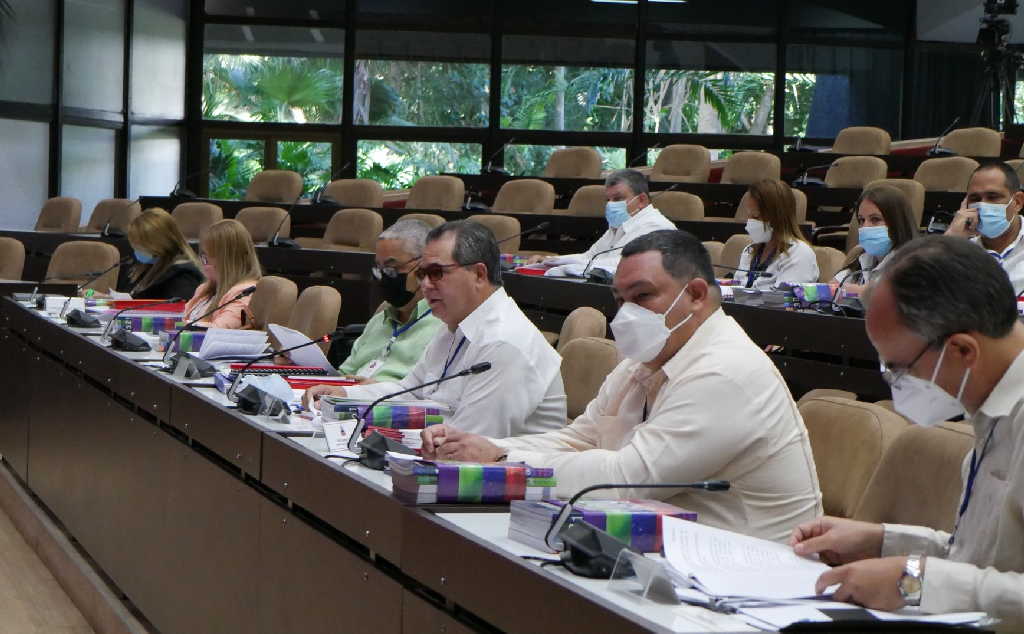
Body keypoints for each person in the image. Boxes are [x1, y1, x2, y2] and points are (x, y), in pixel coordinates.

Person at [421, 230, 822, 543]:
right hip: (662, 551)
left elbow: (626, 477)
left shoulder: (728, 371)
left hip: (746, 572)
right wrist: (494, 450)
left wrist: (500, 462)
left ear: (696, 295)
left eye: (642, 296)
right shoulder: (644, 360)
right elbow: (581, 438)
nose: (626, 313)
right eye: (620, 298)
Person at [790, 236, 1024, 624]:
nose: (896, 384)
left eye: (900, 368)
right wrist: (879, 541)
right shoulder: (991, 406)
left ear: (964, 350)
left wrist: (911, 583)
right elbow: (980, 557)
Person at [303, 220, 566, 437]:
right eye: (421, 275)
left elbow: (467, 441)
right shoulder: (455, 326)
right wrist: (344, 395)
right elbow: (408, 391)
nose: (426, 285)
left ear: (479, 274)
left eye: (437, 273)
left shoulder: (505, 342)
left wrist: (386, 433)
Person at [334, 219, 442, 383]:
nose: (384, 277)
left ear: (424, 266)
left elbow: (433, 392)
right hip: (345, 401)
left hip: (390, 404)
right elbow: (343, 374)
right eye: (379, 269)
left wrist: (377, 389)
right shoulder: (380, 320)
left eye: (392, 268)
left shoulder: (444, 325)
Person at [531, 169, 676, 277]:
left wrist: (561, 267)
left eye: (618, 199)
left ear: (642, 200)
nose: (611, 205)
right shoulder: (619, 225)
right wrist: (548, 260)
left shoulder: (655, 227)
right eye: (608, 200)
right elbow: (589, 257)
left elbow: (619, 266)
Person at [945, 161, 1024, 295]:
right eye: (975, 198)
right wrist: (950, 238)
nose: (982, 205)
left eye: (993, 197)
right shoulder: (957, 251)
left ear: (1017, 202)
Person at [832, 184, 918, 296]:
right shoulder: (863, 258)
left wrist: (862, 293)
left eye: (875, 219)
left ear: (897, 222)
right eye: (861, 220)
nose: (865, 227)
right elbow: (832, 286)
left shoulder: (915, 265)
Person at [736, 179, 818, 290]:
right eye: (748, 215)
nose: (749, 222)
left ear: (776, 218)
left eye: (756, 216)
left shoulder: (799, 254)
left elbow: (781, 302)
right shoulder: (749, 251)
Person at [181, 219, 262, 329]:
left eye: (206, 258)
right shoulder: (205, 290)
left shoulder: (245, 293)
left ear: (226, 261)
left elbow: (218, 331)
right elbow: (183, 321)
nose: (202, 263)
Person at [124, 208, 204, 300]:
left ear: (159, 244)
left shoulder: (183, 275)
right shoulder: (143, 267)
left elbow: (177, 309)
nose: (136, 250)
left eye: (140, 245)